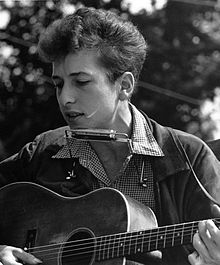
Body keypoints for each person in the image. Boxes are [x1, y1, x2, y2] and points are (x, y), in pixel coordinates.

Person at [0, 7, 220, 265]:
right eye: (58, 84)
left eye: (81, 82)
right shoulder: (43, 151)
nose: (65, 98)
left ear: (124, 86)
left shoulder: (189, 157)